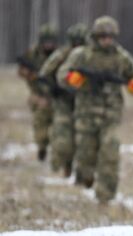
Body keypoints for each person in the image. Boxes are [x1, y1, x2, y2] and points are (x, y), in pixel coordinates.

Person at [57, 15, 133, 204]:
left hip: (110, 114)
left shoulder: (121, 57)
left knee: (110, 153)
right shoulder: (82, 54)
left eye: (110, 36)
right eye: (103, 36)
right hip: (85, 114)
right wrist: (72, 78)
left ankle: (106, 195)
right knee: (85, 154)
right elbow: (62, 74)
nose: (107, 40)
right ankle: (85, 178)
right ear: (96, 36)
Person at [39, 23, 88, 177]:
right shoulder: (61, 54)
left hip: (83, 102)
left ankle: (74, 169)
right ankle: (58, 165)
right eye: (75, 43)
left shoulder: (89, 55)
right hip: (62, 100)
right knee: (62, 138)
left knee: (81, 139)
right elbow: (44, 74)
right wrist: (53, 89)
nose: (78, 46)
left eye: (81, 43)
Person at [17, 23, 59, 161]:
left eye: (51, 41)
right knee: (40, 126)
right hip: (38, 95)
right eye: (46, 41)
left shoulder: (59, 54)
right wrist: (31, 75)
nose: (49, 45)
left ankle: (58, 153)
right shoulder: (32, 53)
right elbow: (21, 71)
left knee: (58, 127)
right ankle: (42, 148)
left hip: (56, 96)